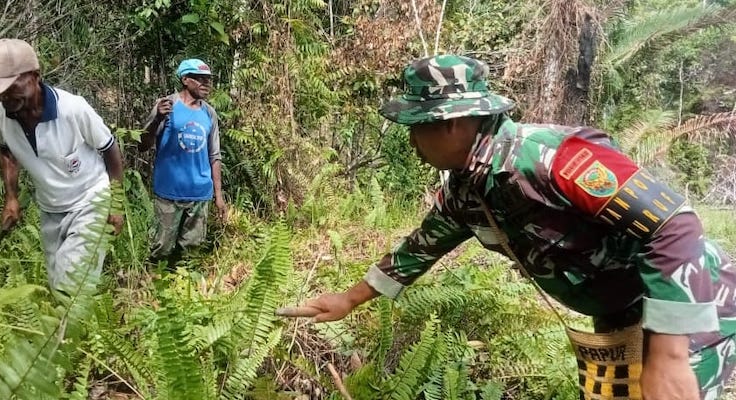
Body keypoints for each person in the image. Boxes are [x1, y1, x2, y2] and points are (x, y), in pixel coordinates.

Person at [283, 55, 736, 400]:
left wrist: (671, 354)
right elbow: (417, 250)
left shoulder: (555, 158)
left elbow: (671, 225)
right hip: (618, 317)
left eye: (416, 127)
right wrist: (347, 299)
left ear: (453, 124)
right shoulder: (467, 191)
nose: (411, 141)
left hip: (685, 309)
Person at [0, 38, 124, 293]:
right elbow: (6, 151)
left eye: (9, 86)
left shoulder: (72, 109)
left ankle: (73, 332)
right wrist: (11, 198)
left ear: (35, 76)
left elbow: (110, 150)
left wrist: (116, 205)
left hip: (90, 200)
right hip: (50, 208)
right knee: (57, 285)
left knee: (71, 286)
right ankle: (78, 332)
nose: (3, 96)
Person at [140, 58, 226, 266]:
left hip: (199, 194)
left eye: (209, 80)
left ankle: (182, 293)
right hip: (168, 193)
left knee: (191, 255)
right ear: (185, 80)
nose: (206, 84)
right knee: (159, 249)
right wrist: (157, 120)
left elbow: (214, 155)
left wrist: (218, 196)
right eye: (200, 79)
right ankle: (152, 291)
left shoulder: (209, 114)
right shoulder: (167, 106)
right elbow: (142, 144)